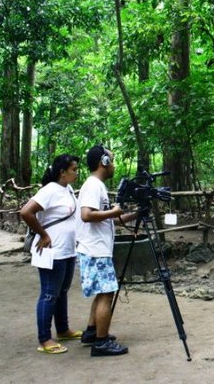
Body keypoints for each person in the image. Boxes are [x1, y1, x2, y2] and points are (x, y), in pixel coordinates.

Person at [76, 145, 137, 356]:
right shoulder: (93, 185)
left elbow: (108, 219)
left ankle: (92, 332)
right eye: (111, 160)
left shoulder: (96, 185)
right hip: (95, 250)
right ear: (103, 162)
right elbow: (86, 215)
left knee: (103, 292)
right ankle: (101, 343)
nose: (114, 165)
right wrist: (113, 211)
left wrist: (134, 215)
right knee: (107, 294)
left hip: (95, 249)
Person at [21, 154, 81, 354]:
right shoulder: (49, 191)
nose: (77, 172)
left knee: (62, 292)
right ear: (62, 172)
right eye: (73, 169)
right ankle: (44, 339)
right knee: (49, 294)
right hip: (51, 251)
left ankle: (63, 329)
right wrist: (43, 235)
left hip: (67, 250)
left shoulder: (69, 189)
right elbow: (26, 212)